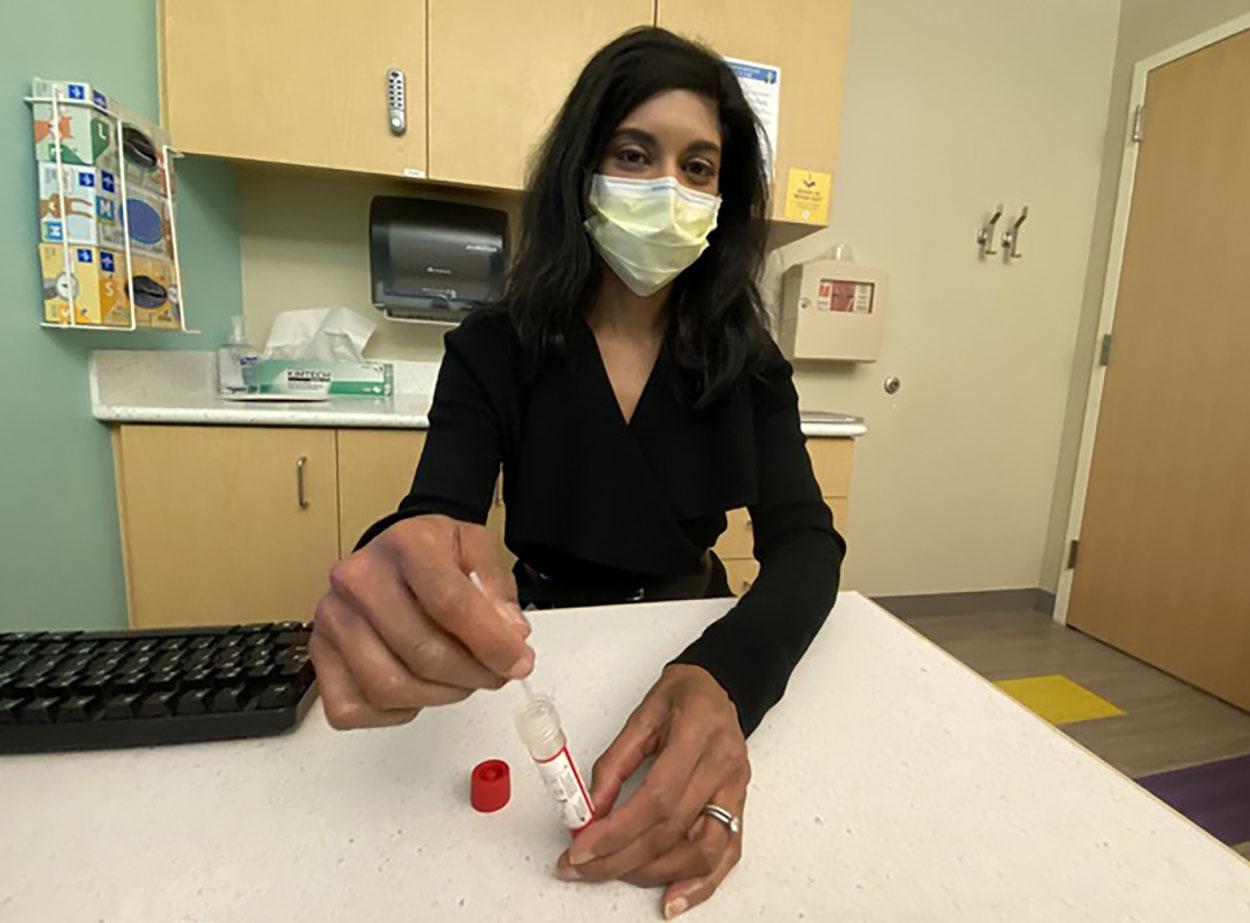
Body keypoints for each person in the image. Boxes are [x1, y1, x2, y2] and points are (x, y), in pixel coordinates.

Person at [309, 26, 844, 919]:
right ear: (581, 172)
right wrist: (396, 583)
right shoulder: (496, 348)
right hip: (539, 658)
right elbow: (433, 517)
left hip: (696, 638)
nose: (667, 188)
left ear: (725, 199)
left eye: (699, 167)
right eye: (634, 154)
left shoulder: (748, 364)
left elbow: (809, 547)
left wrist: (728, 679)